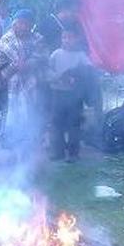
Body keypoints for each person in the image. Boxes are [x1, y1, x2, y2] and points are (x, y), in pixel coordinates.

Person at [0, 9, 49, 151]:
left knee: (31, 110)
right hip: (9, 81)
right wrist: (15, 66)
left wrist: (29, 64)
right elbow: (0, 59)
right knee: (9, 111)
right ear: (14, 24)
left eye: (26, 24)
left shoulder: (38, 38)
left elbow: (42, 56)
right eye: (20, 23)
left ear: (31, 25)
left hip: (32, 82)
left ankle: (30, 139)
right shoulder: (7, 38)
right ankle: (9, 139)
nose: (22, 26)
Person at [48, 20, 90, 162]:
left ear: (76, 38)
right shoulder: (55, 54)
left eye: (70, 37)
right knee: (56, 123)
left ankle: (73, 153)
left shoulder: (81, 56)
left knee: (74, 124)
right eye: (64, 37)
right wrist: (57, 78)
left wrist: (75, 79)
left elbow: (88, 73)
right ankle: (57, 151)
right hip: (57, 93)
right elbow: (48, 72)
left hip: (74, 96)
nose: (67, 40)